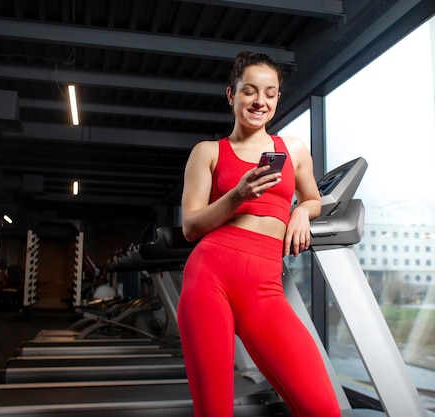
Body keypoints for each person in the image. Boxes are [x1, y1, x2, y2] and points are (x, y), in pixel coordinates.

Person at [177, 51, 341, 417]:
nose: (260, 101)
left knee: (321, 407)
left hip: (265, 287)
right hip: (209, 277)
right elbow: (190, 227)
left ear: (278, 97)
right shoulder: (208, 152)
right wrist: (238, 194)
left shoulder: (292, 149)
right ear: (231, 95)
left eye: (270, 93)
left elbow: (313, 198)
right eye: (249, 91)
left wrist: (300, 210)